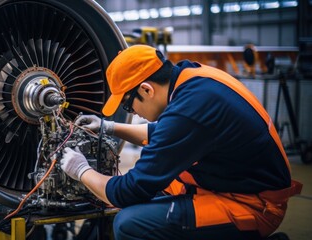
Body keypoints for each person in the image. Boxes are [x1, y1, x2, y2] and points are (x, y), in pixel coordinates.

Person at [60, 44, 302, 240]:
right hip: (230, 183)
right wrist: (109, 127)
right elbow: (163, 133)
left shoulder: (189, 112)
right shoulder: (190, 80)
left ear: (146, 90)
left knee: (130, 223)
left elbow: (127, 192)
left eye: (127, 104)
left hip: (252, 205)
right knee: (152, 196)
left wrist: (81, 170)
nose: (131, 112)